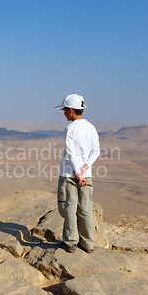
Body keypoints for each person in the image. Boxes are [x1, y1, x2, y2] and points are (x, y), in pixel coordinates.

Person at [54, 94, 100, 254]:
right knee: (85, 208)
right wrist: (84, 169)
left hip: (69, 174)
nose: (64, 113)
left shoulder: (71, 128)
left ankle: (70, 242)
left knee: (69, 207)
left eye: (64, 110)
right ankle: (88, 244)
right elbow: (96, 151)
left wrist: (77, 173)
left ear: (71, 110)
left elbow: (71, 153)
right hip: (86, 175)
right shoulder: (91, 127)